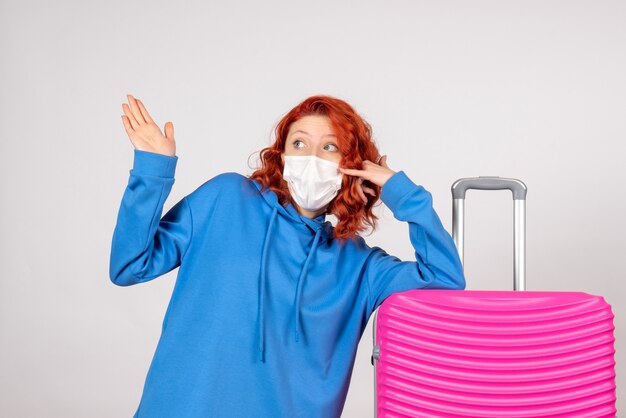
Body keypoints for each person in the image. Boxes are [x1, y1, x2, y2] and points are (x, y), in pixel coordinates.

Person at [109, 94, 466, 417]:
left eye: (330, 147)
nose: (312, 157)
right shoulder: (226, 198)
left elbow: (446, 280)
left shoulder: (360, 266)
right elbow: (129, 266)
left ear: (351, 166)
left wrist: (402, 193)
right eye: (299, 143)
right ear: (281, 155)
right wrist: (152, 171)